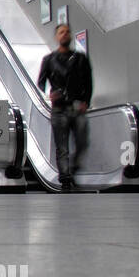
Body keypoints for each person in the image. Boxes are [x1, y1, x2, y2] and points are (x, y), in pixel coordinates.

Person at [37, 23, 93, 192]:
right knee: (62, 147)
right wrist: (49, 93)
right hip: (59, 109)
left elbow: (88, 82)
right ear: (56, 37)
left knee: (82, 142)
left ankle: (74, 169)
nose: (65, 35)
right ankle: (65, 179)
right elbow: (41, 82)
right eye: (61, 32)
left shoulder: (80, 58)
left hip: (77, 107)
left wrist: (86, 101)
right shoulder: (49, 60)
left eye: (67, 32)